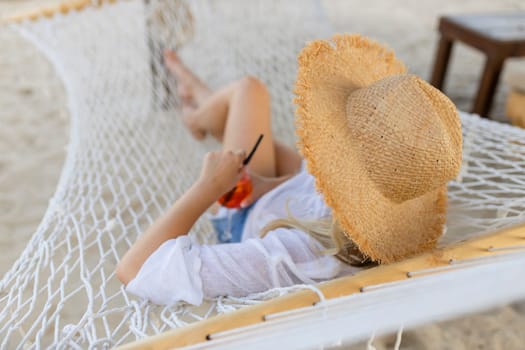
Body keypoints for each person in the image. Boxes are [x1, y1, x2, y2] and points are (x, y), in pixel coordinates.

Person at [116, 34, 462, 306]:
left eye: (333, 142)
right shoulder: (385, 194)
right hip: (293, 197)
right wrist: (270, 183)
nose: (325, 139)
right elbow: (313, 189)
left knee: (248, 91)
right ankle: (203, 104)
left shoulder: (287, 257)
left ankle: (196, 115)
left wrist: (207, 188)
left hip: (245, 213)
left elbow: (133, 270)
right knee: (247, 111)